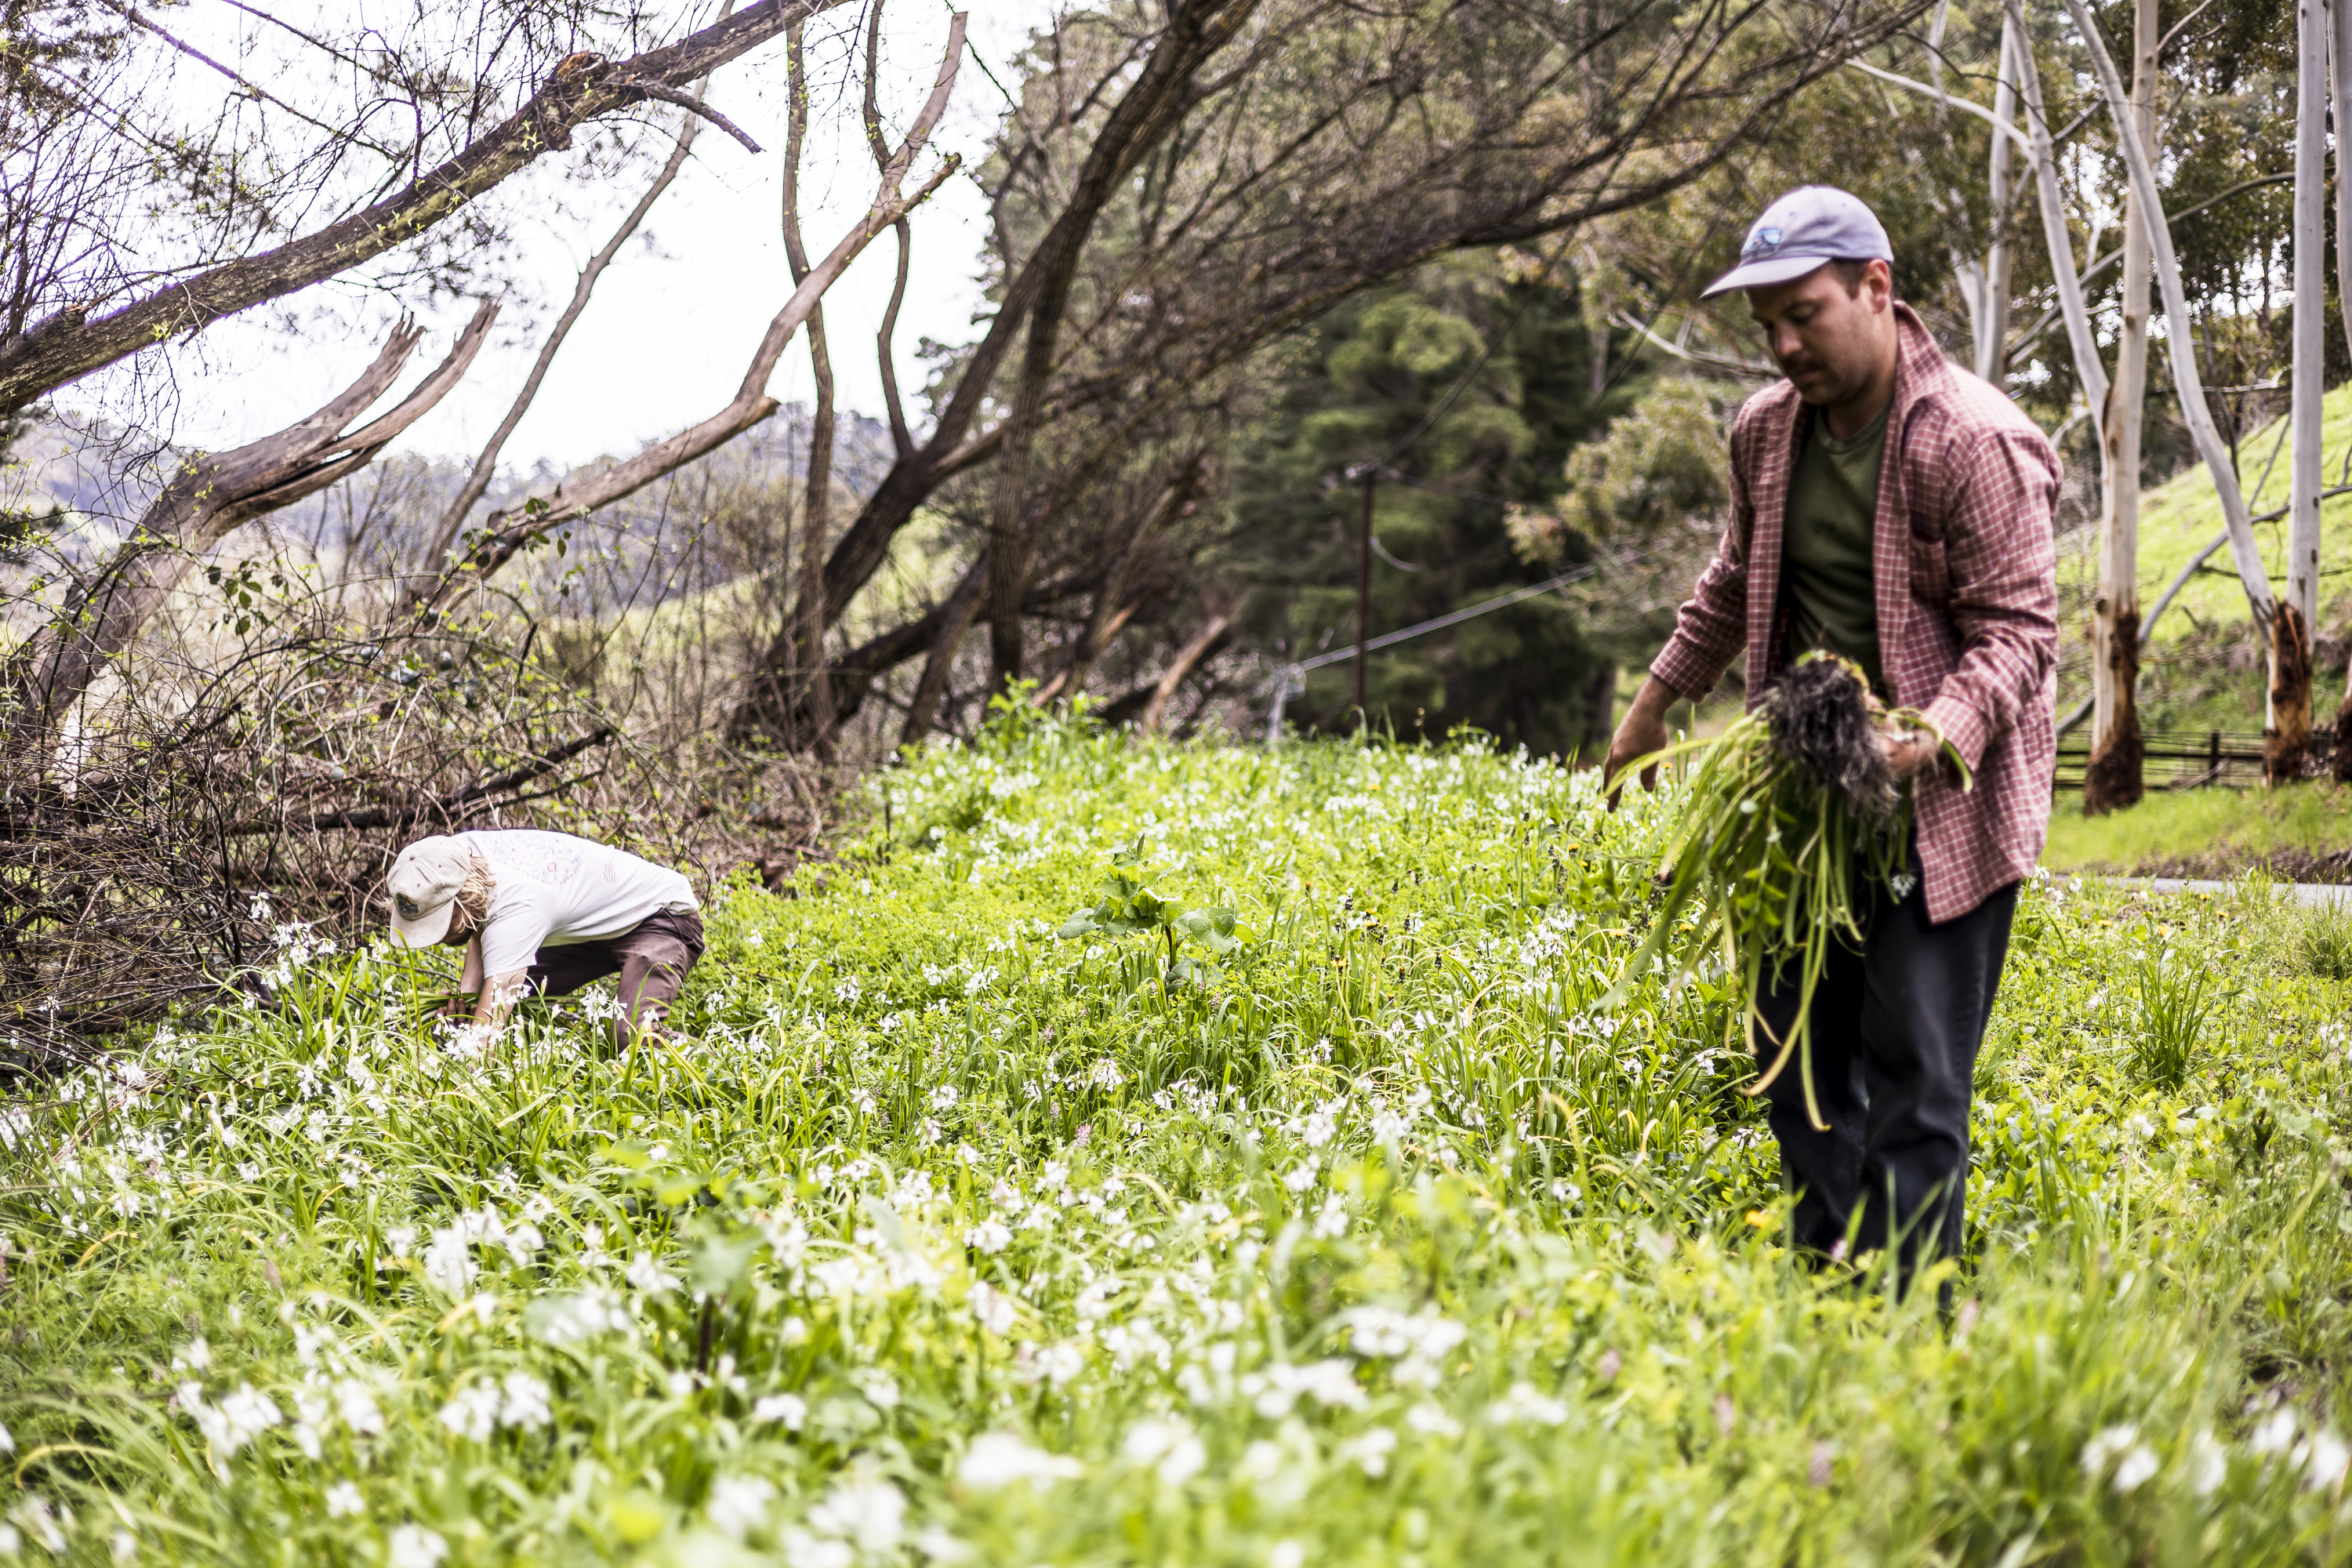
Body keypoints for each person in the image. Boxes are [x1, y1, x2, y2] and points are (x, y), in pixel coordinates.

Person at [1606, 186, 2060, 1290]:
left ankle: (1904, 1322)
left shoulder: (1973, 440)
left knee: (1915, 1070)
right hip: (1806, 797)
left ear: (1877, 288)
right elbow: (1734, 582)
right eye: (1767, 323)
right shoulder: (1766, 430)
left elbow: (2019, 637)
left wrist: (1929, 736)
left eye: (1804, 313)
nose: (1784, 343)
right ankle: (1832, 1282)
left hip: (1939, 802)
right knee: (1794, 1051)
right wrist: (1657, 698)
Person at [385, 829, 704, 1049]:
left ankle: (724, 1059)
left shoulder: (519, 905)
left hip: (661, 918)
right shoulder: (451, 858)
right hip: (587, 925)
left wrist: (467, 1087)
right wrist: (467, 1000)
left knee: (631, 1038)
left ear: (461, 899)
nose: (438, 939)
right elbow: (481, 918)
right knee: (496, 1006)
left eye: (440, 924)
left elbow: (490, 1024)